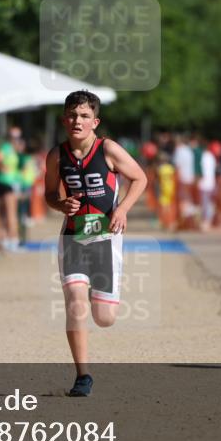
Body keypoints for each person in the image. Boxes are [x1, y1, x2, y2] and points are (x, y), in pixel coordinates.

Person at [44, 91, 147, 397]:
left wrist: (123, 208)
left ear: (95, 122)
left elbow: (140, 178)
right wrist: (61, 204)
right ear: (64, 119)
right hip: (73, 237)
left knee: (104, 318)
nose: (78, 121)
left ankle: (98, 291)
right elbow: (49, 194)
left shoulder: (109, 149)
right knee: (75, 304)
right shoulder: (56, 155)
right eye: (73, 115)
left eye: (84, 116)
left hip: (105, 239)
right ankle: (82, 376)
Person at [0, 127, 22, 251]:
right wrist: (2, 167)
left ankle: (4, 240)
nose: (17, 140)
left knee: (3, 213)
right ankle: (13, 240)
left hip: (1, 182)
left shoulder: (10, 148)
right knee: (10, 212)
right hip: (7, 182)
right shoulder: (7, 147)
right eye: (15, 137)